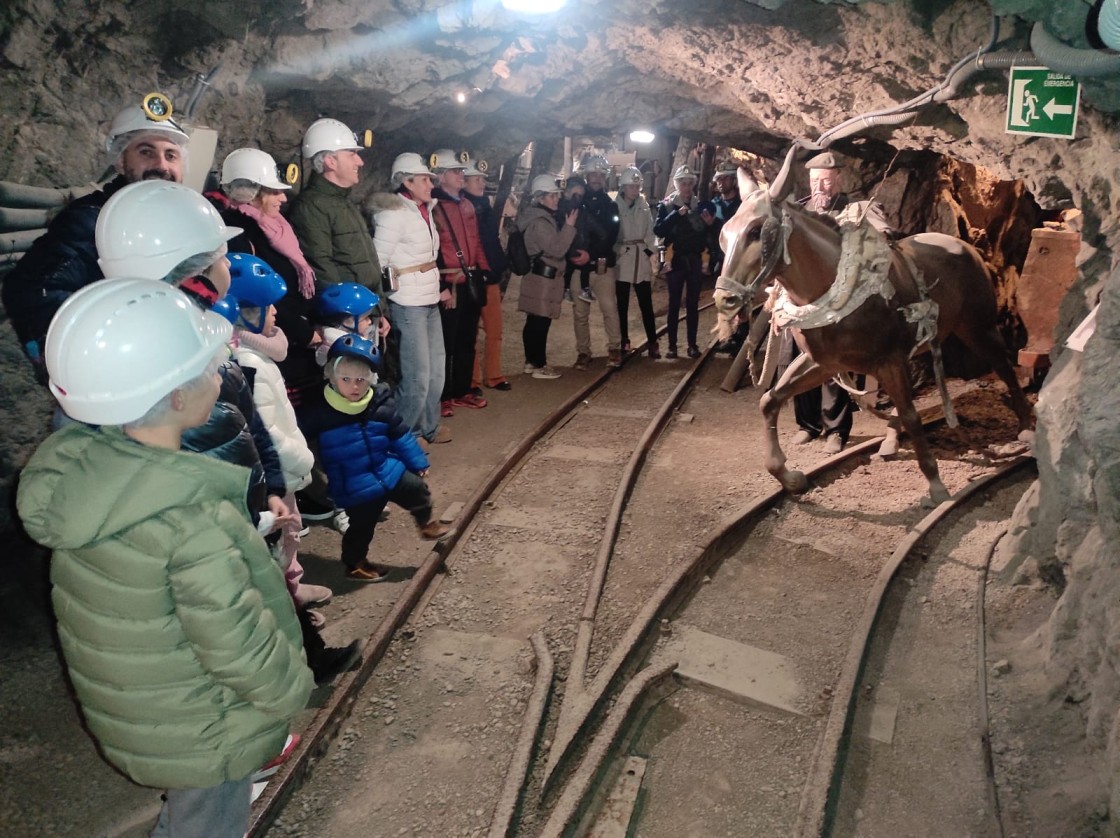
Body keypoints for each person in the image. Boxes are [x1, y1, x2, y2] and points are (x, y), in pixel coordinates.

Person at [17, 278, 313, 838]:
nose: (217, 375)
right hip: (209, 721)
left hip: (154, 712)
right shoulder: (188, 518)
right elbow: (236, 638)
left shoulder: (93, 479)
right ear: (177, 397)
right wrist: (290, 689)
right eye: (206, 369)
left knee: (190, 812)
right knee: (209, 822)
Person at [2, 98, 189, 376]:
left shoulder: (173, 223)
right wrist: (105, 351)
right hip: (116, 380)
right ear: (120, 161)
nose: (161, 165)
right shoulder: (93, 220)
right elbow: (30, 293)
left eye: (171, 155)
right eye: (146, 152)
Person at [226, 253, 333, 610]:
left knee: (290, 532)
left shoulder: (259, 354)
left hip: (283, 471)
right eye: (268, 307)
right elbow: (267, 432)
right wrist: (303, 459)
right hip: (281, 472)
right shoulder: (249, 365)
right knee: (283, 538)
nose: (276, 313)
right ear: (247, 314)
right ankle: (289, 604)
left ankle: (294, 587)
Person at [299, 335, 450, 582]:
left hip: (386, 469)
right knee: (361, 528)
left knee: (417, 489)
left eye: (361, 380)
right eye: (346, 379)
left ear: (370, 380)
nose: (354, 387)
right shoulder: (318, 412)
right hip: (355, 485)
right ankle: (355, 564)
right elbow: (297, 437)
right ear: (331, 377)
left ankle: (426, 523)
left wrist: (418, 462)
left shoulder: (380, 404)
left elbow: (400, 434)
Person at [784, 151, 892, 454]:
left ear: (839, 181)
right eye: (817, 181)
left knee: (833, 367)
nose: (822, 188)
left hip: (836, 306)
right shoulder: (799, 211)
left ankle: (836, 430)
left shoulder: (853, 210)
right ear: (809, 181)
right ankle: (807, 425)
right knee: (792, 362)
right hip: (798, 303)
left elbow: (881, 234)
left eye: (828, 182)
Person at [209, 147, 323, 410]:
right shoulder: (238, 234)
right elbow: (254, 293)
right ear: (248, 192)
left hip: (290, 335)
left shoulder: (275, 227)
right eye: (273, 191)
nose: (283, 197)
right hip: (269, 339)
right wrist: (303, 332)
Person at [366, 152, 450, 445]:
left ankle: (429, 426)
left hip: (428, 300)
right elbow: (378, 260)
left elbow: (428, 257)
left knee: (437, 371)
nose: (431, 184)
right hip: (408, 302)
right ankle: (403, 435)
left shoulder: (424, 211)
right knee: (417, 378)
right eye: (425, 178)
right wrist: (381, 305)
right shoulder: (394, 214)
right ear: (407, 181)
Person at [287, 117, 389, 338]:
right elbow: (322, 268)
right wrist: (353, 315)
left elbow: (368, 262)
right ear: (331, 161)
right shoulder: (311, 207)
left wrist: (378, 310)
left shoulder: (345, 203)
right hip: (345, 321)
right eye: (351, 154)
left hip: (362, 315)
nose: (360, 162)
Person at [429, 148, 490, 414]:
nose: (461, 175)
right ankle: (442, 396)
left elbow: (475, 240)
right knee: (445, 342)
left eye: (461, 171)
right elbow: (432, 248)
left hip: (469, 278)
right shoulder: (434, 206)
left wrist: (483, 270)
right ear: (440, 176)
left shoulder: (465, 203)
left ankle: (461, 390)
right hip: (450, 282)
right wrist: (442, 286)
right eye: (456, 171)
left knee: (466, 339)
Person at [518, 174, 578, 379]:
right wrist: (569, 226)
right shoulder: (540, 222)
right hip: (543, 278)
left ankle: (531, 362)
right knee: (540, 322)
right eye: (552, 196)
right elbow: (557, 249)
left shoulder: (538, 218)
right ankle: (539, 365)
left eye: (556, 195)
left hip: (538, 276)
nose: (557, 199)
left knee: (534, 320)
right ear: (540, 198)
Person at [568, 156, 623, 369]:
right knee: (580, 313)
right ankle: (583, 352)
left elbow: (611, 236)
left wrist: (589, 255)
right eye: (593, 174)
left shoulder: (611, 206)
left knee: (609, 309)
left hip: (601, 266)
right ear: (586, 176)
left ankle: (614, 349)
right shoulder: (576, 203)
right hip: (578, 266)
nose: (597, 178)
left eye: (601, 175)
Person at [462, 158, 511, 392]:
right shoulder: (463, 207)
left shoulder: (484, 206)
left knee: (494, 329)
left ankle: (494, 375)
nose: (482, 183)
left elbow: (490, 240)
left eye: (482, 179)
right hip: (474, 277)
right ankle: (472, 380)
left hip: (489, 277)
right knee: (471, 332)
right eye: (477, 179)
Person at [654, 165, 709, 359]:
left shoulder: (699, 206)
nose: (686, 187)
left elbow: (706, 233)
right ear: (676, 185)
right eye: (682, 183)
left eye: (689, 183)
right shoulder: (667, 206)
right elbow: (658, 230)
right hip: (675, 260)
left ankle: (692, 345)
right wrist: (675, 215)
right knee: (674, 303)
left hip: (694, 260)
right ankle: (672, 346)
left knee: (693, 304)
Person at [614, 167, 661, 358]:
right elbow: (611, 234)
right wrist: (615, 251)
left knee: (646, 304)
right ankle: (623, 340)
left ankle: (653, 341)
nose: (635, 189)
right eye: (631, 186)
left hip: (640, 257)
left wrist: (653, 253)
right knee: (622, 304)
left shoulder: (644, 205)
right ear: (623, 187)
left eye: (637, 186)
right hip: (622, 258)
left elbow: (650, 232)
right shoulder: (614, 205)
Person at [558, 176, 590, 303]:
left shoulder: (580, 210)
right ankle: (567, 290)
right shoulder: (561, 211)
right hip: (568, 250)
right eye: (576, 195)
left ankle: (582, 289)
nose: (578, 199)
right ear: (566, 193)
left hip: (577, 247)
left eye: (581, 196)